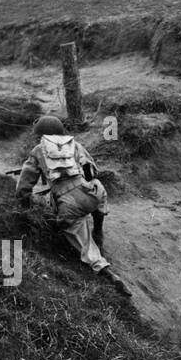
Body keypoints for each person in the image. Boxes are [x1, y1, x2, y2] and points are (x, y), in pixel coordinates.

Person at [15, 115, 129, 296]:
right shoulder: (75, 145)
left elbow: (24, 187)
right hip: (94, 194)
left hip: (69, 203)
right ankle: (98, 227)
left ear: (42, 135)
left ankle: (105, 270)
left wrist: (24, 203)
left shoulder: (38, 150)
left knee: (82, 239)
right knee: (97, 188)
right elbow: (92, 170)